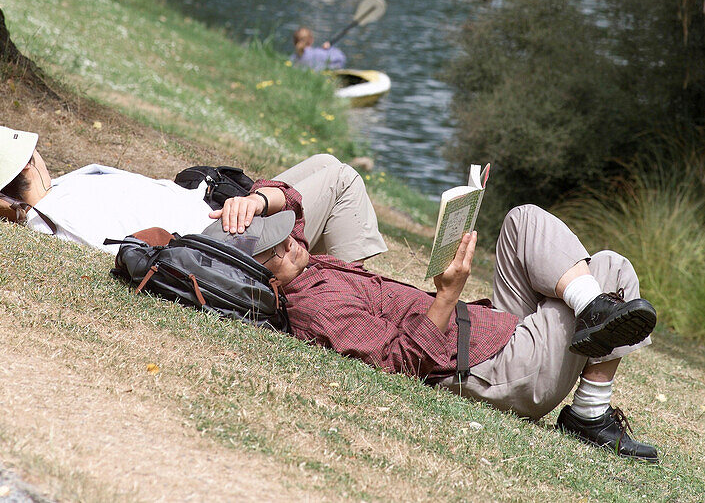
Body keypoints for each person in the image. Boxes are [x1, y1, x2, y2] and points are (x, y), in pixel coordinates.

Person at [215, 184, 659, 463]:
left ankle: (592, 309)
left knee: (522, 219)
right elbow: (399, 362)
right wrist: (447, 294)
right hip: (493, 368)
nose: (291, 243)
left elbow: (293, 200)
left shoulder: (308, 264)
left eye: (287, 234)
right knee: (612, 270)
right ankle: (588, 415)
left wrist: (256, 200)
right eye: (275, 249)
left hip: (488, 330)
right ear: (263, 275)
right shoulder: (316, 306)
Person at [0, 123, 386, 263]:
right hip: (223, 237)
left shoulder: (57, 196)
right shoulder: (54, 213)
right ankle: (351, 296)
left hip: (218, 215)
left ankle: (332, 286)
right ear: (29, 163)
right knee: (342, 178)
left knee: (324, 163)